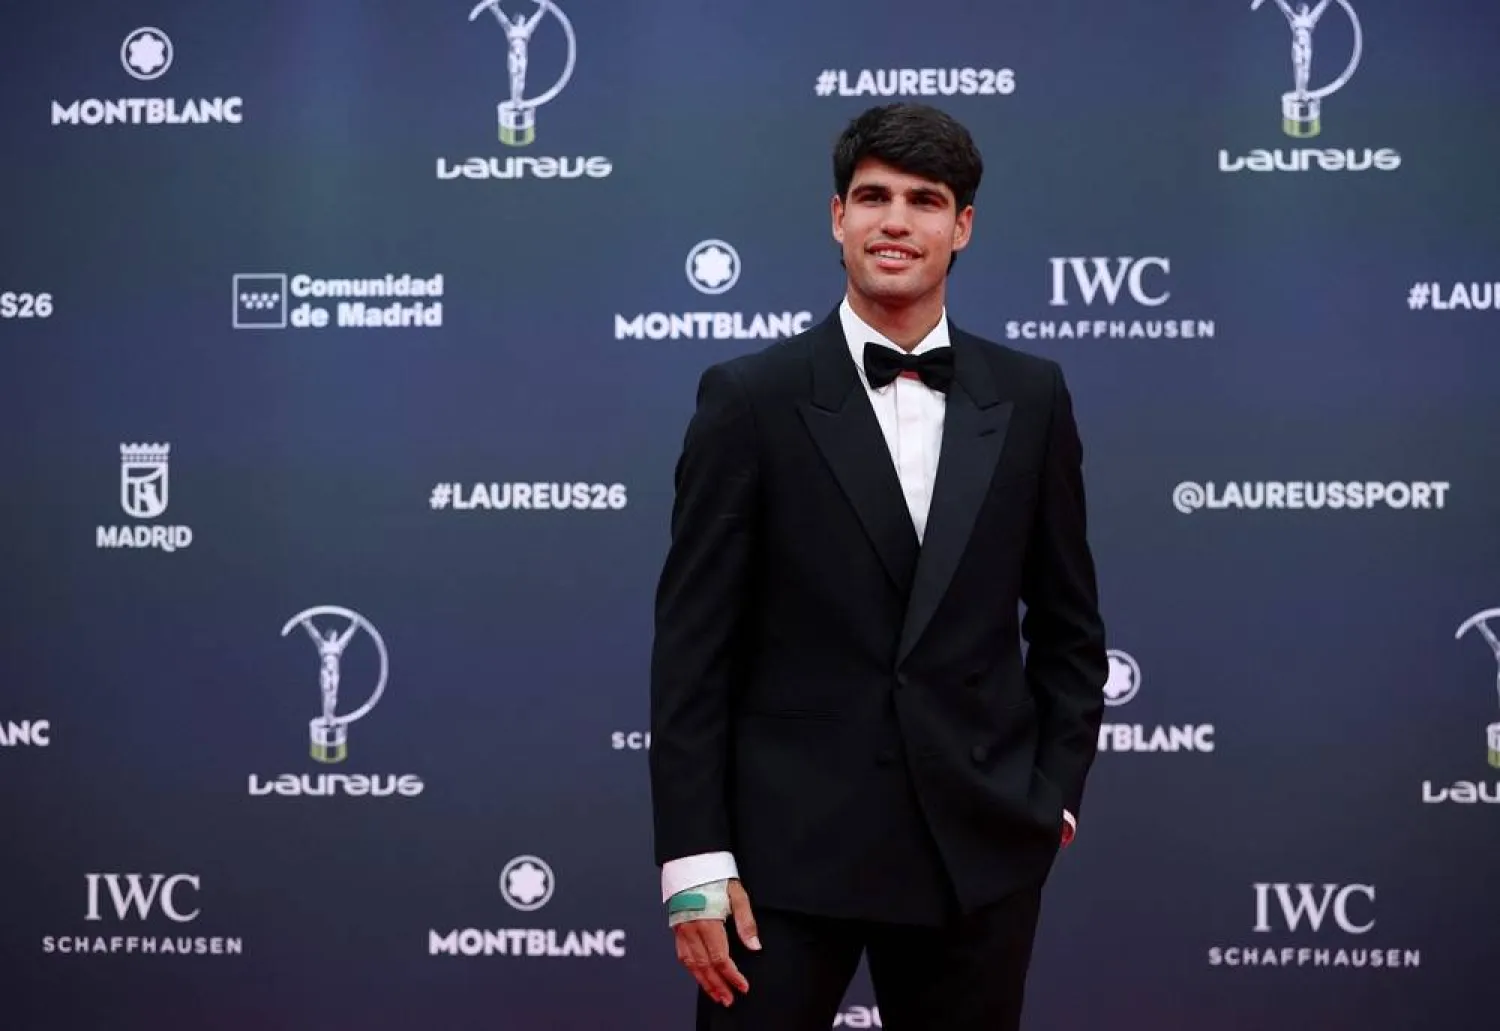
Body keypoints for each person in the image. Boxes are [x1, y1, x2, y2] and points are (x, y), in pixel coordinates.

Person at [648, 102, 1108, 1031]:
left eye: (925, 200)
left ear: (962, 227)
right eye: (874, 197)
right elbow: (693, 649)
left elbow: (1070, 628)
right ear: (837, 216)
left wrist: (1047, 800)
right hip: (778, 861)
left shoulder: (1031, 396)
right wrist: (695, 861)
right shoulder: (750, 399)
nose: (896, 220)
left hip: (974, 849)